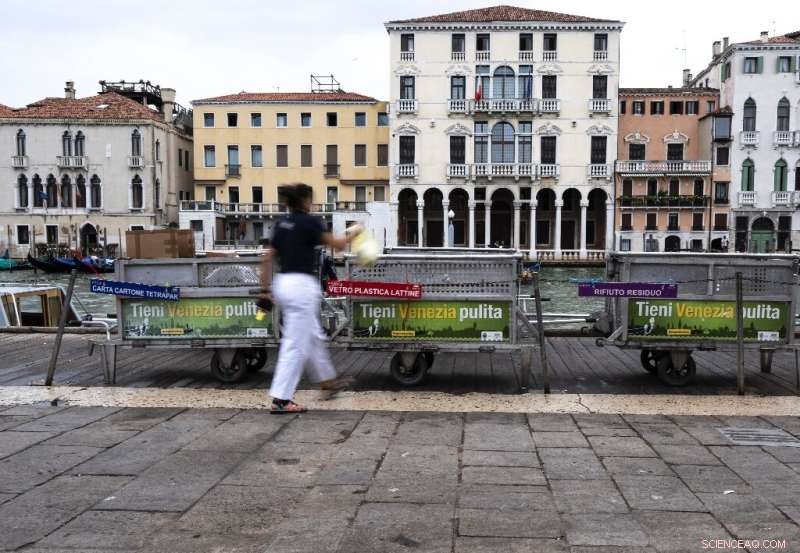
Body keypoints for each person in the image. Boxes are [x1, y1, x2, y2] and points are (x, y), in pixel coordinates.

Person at [261, 183, 361, 414]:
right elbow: (337, 245)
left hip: (283, 284)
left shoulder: (280, 225)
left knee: (313, 335)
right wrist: (354, 231)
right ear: (305, 200)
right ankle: (281, 399)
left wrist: (264, 291)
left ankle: (328, 382)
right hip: (301, 287)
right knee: (295, 344)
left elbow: (266, 259)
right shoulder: (309, 222)